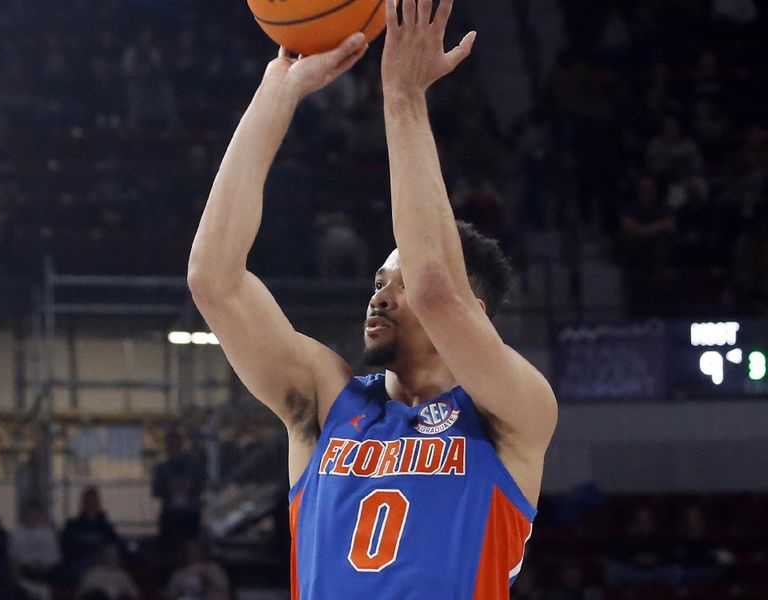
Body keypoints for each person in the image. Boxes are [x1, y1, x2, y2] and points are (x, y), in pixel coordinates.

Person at [187, 0, 557, 597]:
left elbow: (439, 292)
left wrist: (404, 96)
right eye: (379, 281)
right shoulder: (326, 400)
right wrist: (276, 93)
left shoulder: (511, 412)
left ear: (477, 315)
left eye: (397, 282)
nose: (380, 296)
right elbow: (213, 278)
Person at [152, 429, 205, 549]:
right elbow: (155, 490)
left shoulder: (194, 465)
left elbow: (202, 485)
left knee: (191, 546)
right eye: (170, 445)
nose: (173, 448)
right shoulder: (161, 467)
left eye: (176, 444)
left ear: (181, 444)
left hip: (190, 514)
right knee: (169, 548)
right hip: (170, 514)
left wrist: (190, 486)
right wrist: (170, 488)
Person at [60, 487, 120, 583]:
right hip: (78, 567)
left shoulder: (106, 527)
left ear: (98, 504)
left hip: (102, 566)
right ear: (82, 504)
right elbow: (66, 550)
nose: (91, 505)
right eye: (88, 502)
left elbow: (114, 548)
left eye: (94, 502)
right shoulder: (72, 525)